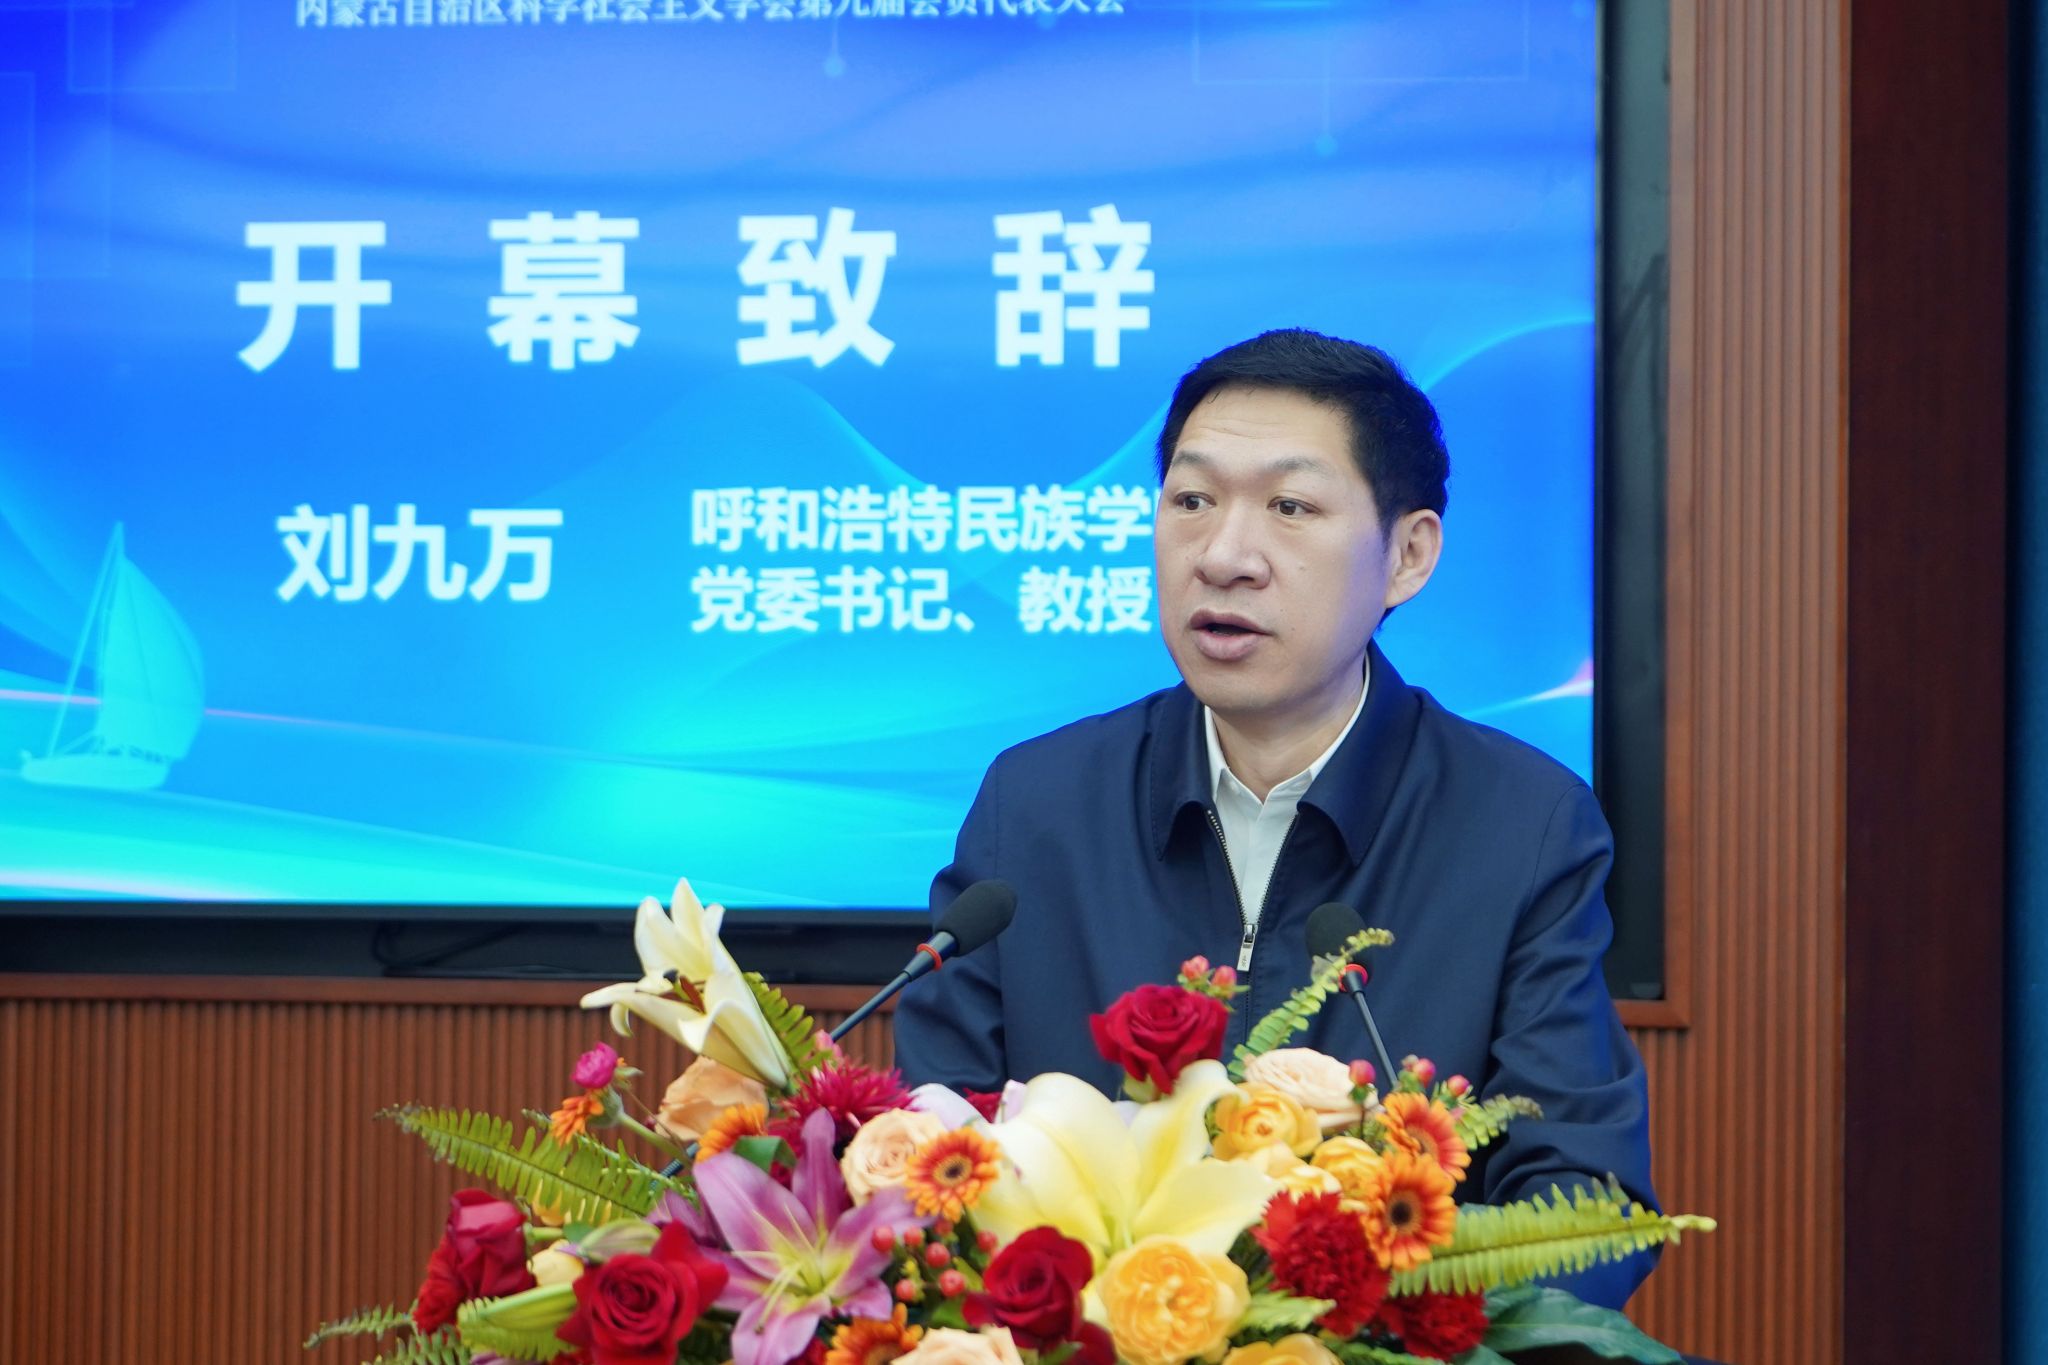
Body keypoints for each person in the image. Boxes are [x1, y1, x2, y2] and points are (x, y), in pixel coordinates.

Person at [892, 328, 1656, 1307]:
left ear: (1408, 555)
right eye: (1191, 501)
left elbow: (1584, 1211)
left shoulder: (1523, 825)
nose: (1223, 556)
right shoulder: (1034, 806)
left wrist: (1346, 1320)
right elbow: (931, 1157)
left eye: (1290, 507)